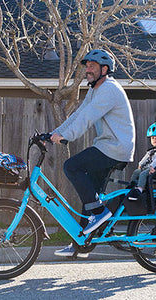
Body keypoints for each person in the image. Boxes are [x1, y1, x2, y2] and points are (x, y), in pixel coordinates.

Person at [48, 49, 136, 257]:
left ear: (105, 69)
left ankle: (98, 213)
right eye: (87, 66)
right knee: (91, 196)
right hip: (108, 146)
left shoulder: (109, 90)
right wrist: (54, 133)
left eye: (92, 66)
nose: (87, 70)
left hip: (115, 147)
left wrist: (67, 135)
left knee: (72, 166)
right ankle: (80, 244)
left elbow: (87, 117)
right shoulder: (96, 90)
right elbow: (78, 113)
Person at [127, 122, 156, 201]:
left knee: (143, 174)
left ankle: (139, 190)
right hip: (148, 169)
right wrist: (140, 164)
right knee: (137, 172)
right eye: (152, 138)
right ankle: (132, 186)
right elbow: (144, 158)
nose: (154, 139)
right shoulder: (152, 150)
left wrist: (151, 167)